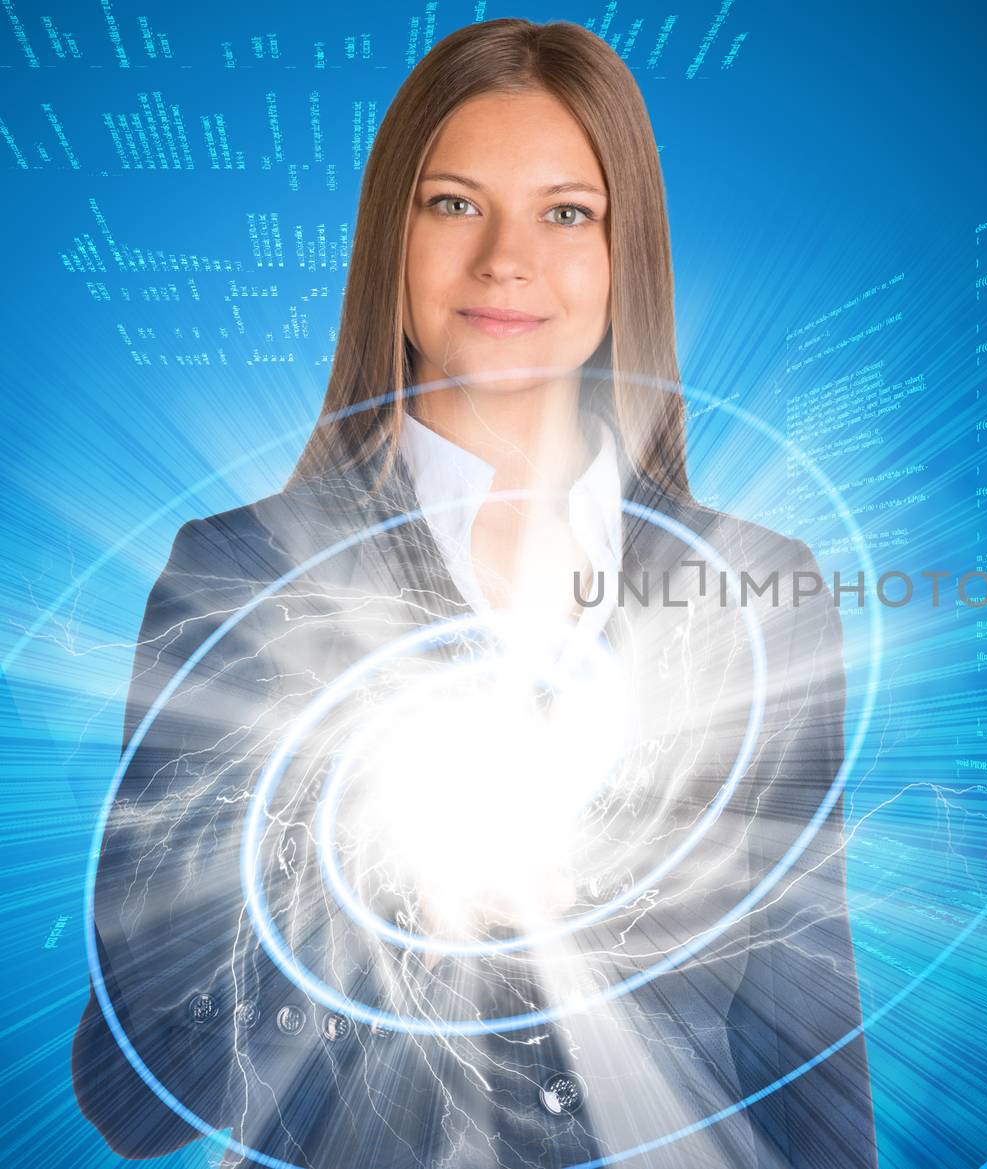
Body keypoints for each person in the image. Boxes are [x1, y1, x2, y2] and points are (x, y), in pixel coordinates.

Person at [71, 19, 876, 1169]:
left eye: (566, 212)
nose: (506, 256)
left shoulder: (761, 590)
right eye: (453, 203)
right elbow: (133, 1094)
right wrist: (326, 859)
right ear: (386, 241)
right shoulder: (242, 578)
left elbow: (806, 1025)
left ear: (623, 254)